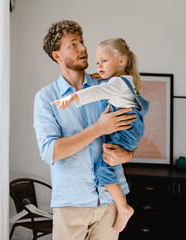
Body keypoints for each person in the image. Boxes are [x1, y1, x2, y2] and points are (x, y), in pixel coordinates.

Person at [34, 20, 136, 240]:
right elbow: (50, 151)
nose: (83, 48)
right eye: (73, 44)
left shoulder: (107, 87)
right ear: (57, 56)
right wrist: (98, 129)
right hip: (71, 204)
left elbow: (130, 128)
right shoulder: (46, 98)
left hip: (110, 203)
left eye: (81, 41)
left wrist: (127, 154)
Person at [51, 37, 149, 232]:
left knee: (103, 170)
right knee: (105, 166)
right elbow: (50, 152)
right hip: (128, 133)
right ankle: (122, 206)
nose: (99, 65)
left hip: (124, 136)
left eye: (104, 61)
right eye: (98, 62)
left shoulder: (114, 85)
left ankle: (123, 208)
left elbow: (97, 92)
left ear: (121, 61)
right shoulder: (121, 83)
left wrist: (73, 97)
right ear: (57, 55)